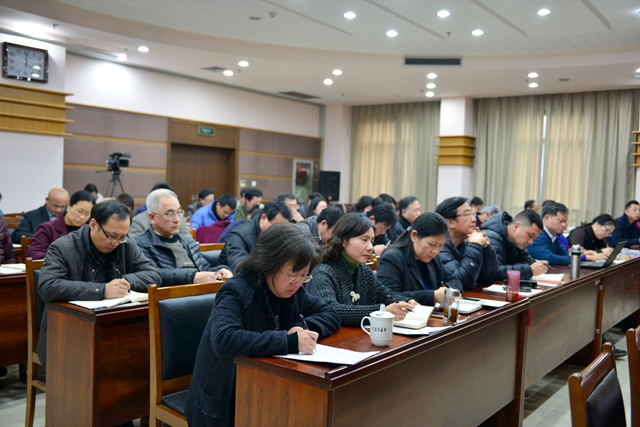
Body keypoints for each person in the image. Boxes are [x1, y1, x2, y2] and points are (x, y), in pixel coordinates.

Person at [184, 223, 340, 427]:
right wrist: (289, 341)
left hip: (266, 387)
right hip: (224, 398)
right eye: (293, 275)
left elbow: (330, 314)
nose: (298, 283)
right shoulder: (236, 290)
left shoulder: (294, 291)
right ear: (269, 264)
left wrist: (301, 327)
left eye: (304, 275)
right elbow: (224, 340)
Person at [36, 201, 161, 367]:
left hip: (115, 325)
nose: (116, 242)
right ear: (93, 224)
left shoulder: (126, 244)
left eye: (122, 237)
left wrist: (125, 282)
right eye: (111, 235)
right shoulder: (63, 247)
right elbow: (48, 286)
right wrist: (102, 290)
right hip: (69, 330)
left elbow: (153, 275)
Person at [306, 213, 414, 326]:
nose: (370, 247)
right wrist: (381, 312)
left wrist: (407, 302)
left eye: (372, 241)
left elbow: (385, 295)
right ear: (343, 241)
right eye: (364, 240)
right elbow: (330, 310)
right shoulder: (322, 271)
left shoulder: (363, 270)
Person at [134, 189, 232, 286]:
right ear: (152, 218)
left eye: (179, 212)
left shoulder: (187, 241)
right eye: (170, 214)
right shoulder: (139, 244)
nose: (177, 219)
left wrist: (220, 271)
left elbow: (205, 269)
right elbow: (153, 274)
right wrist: (192, 277)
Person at [377, 212, 458, 305]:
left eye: (441, 245)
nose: (435, 251)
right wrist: (433, 296)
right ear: (414, 236)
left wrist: (448, 291)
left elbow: (454, 279)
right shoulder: (392, 258)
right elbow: (388, 296)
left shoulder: (433, 258)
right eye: (432, 244)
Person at [435, 197, 499, 290]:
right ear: (450, 222)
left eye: (473, 214)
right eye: (467, 214)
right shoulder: (439, 247)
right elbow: (461, 283)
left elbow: (487, 278)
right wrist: (474, 245)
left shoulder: (464, 244)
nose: (474, 219)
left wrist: (486, 248)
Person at [219, 201, 291, 271]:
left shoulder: (280, 234)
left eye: (283, 228)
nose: (279, 232)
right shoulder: (239, 235)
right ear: (263, 218)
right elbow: (239, 268)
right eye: (276, 227)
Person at [26, 190, 96, 260]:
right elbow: (32, 254)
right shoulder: (47, 228)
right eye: (79, 211)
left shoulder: (88, 231)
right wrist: (60, 258)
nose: (82, 217)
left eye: (87, 214)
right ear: (69, 204)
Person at [481, 210, 548, 281]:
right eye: (530, 235)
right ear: (516, 226)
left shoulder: (517, 241)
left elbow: (528, 261)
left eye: (534, 238)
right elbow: (494, 272)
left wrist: (527, 269)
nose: (531, 242)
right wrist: (528, 270)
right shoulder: (491, 237)